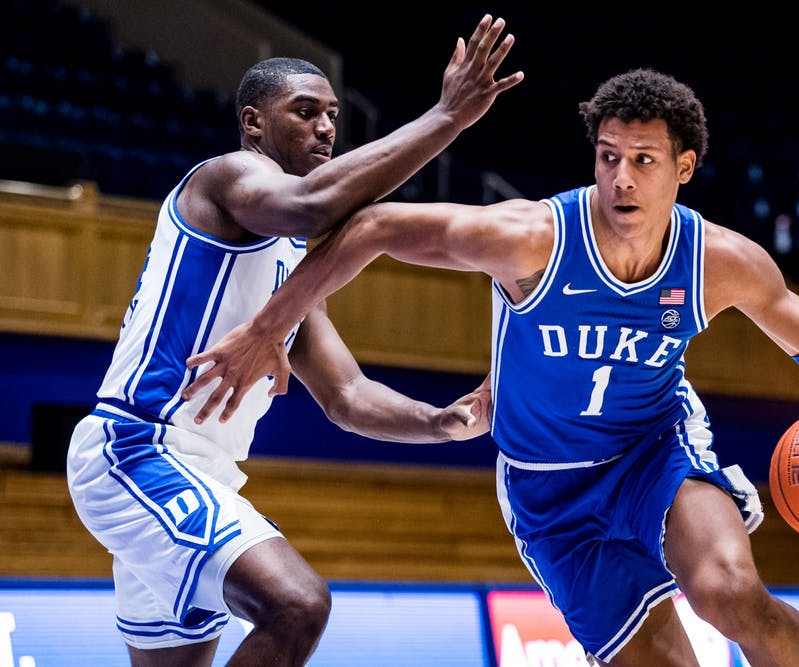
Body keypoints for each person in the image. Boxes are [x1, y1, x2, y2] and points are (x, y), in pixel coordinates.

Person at [183, 68, 799, 666]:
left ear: (684, 168)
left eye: (644, 160)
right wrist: (267, 327)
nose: (621, 178)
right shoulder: (533, 238)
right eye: (609, 156)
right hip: (550, 492)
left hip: (653, 449)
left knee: (729, 591)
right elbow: (373, 227)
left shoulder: (718, 261)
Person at [65, 14, 521, 667]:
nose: (326, 128)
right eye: (305, 112)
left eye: (332, 115)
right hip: (139, 451)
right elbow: (312, 203)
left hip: (204, 473)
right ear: (254, 123)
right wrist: (446, 117)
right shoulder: (227, 177)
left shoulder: (292, 263)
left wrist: (441, 422)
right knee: (298, 603)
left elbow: (347, 394)